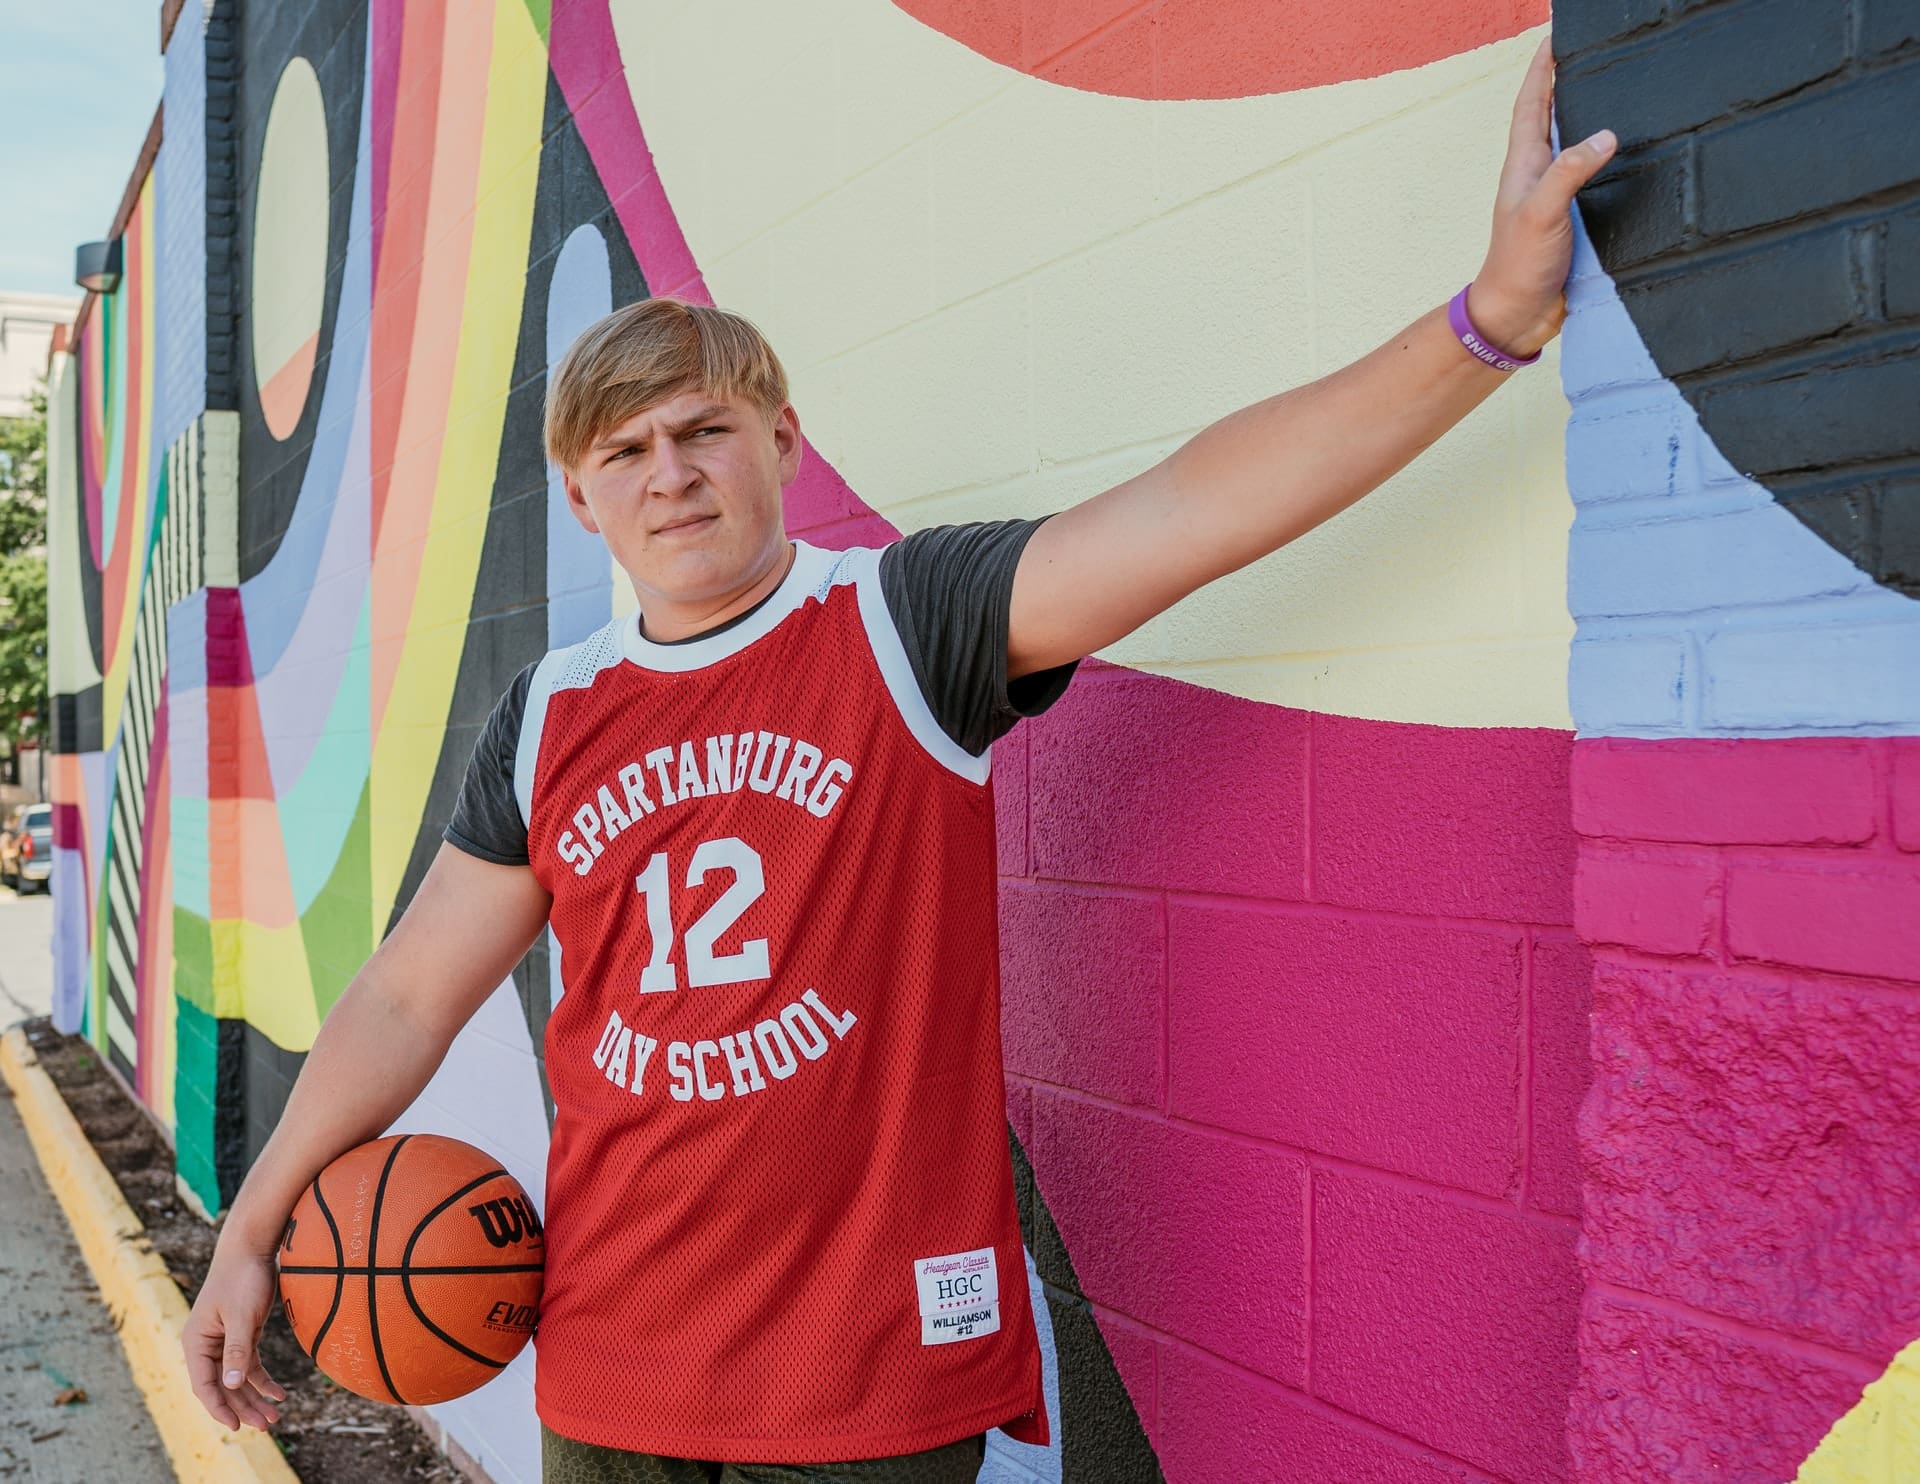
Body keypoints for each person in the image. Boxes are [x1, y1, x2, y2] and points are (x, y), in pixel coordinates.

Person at [184, 42, 1614, 1484]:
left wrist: (1486, 323)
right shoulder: (549, 713)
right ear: (579, 497)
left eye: (704, 430)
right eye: (623, 452)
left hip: (866, 1379)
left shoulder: (900, 623)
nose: (668, 472)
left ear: (782, 443)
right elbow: (409, 993)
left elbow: (1193, 506)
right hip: (612, 1368)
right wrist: (253, 1227)